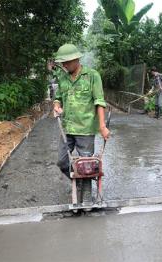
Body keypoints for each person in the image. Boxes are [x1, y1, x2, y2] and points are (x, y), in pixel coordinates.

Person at [53, 43, 110, 205]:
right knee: (62, 162)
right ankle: (77, 179)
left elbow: (99, 101)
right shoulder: (62, 77)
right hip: (67, 128)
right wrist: (57, 106)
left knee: (86, 166)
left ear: (76, 59)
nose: (64, 65)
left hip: (85, 129)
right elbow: (58, 97)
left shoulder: (92, 76)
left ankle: (86, 201)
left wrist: (102, 126)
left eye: (67, 62)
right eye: (62, 63)